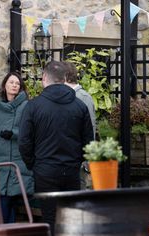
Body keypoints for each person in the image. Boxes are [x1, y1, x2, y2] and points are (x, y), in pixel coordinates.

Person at [18, 60, 94, 236]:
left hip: (45, 170)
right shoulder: (79, 106)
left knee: (50, 218)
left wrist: (33, 164)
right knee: (70, 219)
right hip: (71, 170)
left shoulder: (33, 106)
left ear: (45, 78)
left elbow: (24, 142)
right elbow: (88, 142)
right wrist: (77, 161)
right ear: (64, 78)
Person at [0, 72, 33, 223]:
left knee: (7, 200)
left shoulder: (27, 106)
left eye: (17, 83)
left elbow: (31, 131)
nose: (14, 85)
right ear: (5, 85)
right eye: (11, 82)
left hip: (16, 160)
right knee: (1, 199)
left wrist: (14, 134)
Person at [63, 61, 96, 190]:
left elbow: (90, 128)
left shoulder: (84, 97)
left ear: (65, 76)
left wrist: (87, 159)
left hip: (78, 158)